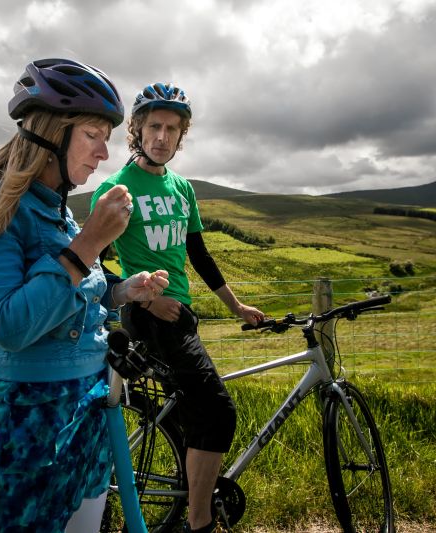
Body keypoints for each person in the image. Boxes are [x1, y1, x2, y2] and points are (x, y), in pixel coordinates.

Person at [0, 59, 169, 533]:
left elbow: (76, 291)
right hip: (27, 419)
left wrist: (121, 291)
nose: (103, 155)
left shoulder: (60, 211)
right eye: (93, 135)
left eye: (107, 140)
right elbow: (7, 325)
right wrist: (89, 243)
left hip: (90, 404)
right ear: (52, 131)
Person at [91, 83, 265, 533]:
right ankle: (199, 523)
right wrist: (145, 296)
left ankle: (181, 512)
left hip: (182, 314)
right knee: (218, 413)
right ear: (136, 129)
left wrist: (236, 306)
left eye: (172, 129)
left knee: (192, 419)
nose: (162, 137)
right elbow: (92, 261)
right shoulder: (116, 189)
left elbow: (199, 256)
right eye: (154, 126)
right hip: (151, 316)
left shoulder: (183, 189)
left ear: (181, 134)